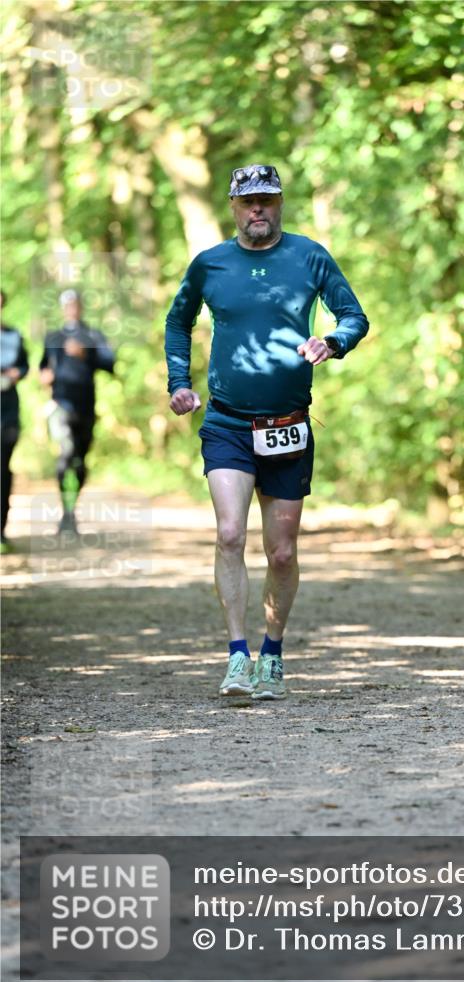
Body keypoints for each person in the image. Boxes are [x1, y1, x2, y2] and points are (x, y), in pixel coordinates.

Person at [165, 163, 368, 700]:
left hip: (288, 425)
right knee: (230, 533)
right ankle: (237, 657)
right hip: (227, 422)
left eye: (268, 199)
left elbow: (354, 316)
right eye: (249, 201)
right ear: (233, 206)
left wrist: (332, 340)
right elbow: (177, 320)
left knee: (281, 552)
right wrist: (180, 382)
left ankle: (272, 655)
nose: (259, 209)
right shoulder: (210, 264)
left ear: (280, 203)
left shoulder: (309, 256)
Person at [39, 289, 115, 534]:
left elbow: (110, 362)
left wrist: (86, 354)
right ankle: (66, 513)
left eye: (76, 304)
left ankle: (71, 509)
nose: (72, 308)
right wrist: (44, 375)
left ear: (81, 307)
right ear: (63, 308)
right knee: (65, 454)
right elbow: (43, 365)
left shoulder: (92, 335)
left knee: (80, 461)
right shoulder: (53, 337)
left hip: (86, 406)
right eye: (68, 304)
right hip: (61, 404)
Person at [1, 290, 29, 553]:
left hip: (7, 409)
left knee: (2, 468)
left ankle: (1, 529)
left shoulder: (13, 336)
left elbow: (25, 365)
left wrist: (17, 372)